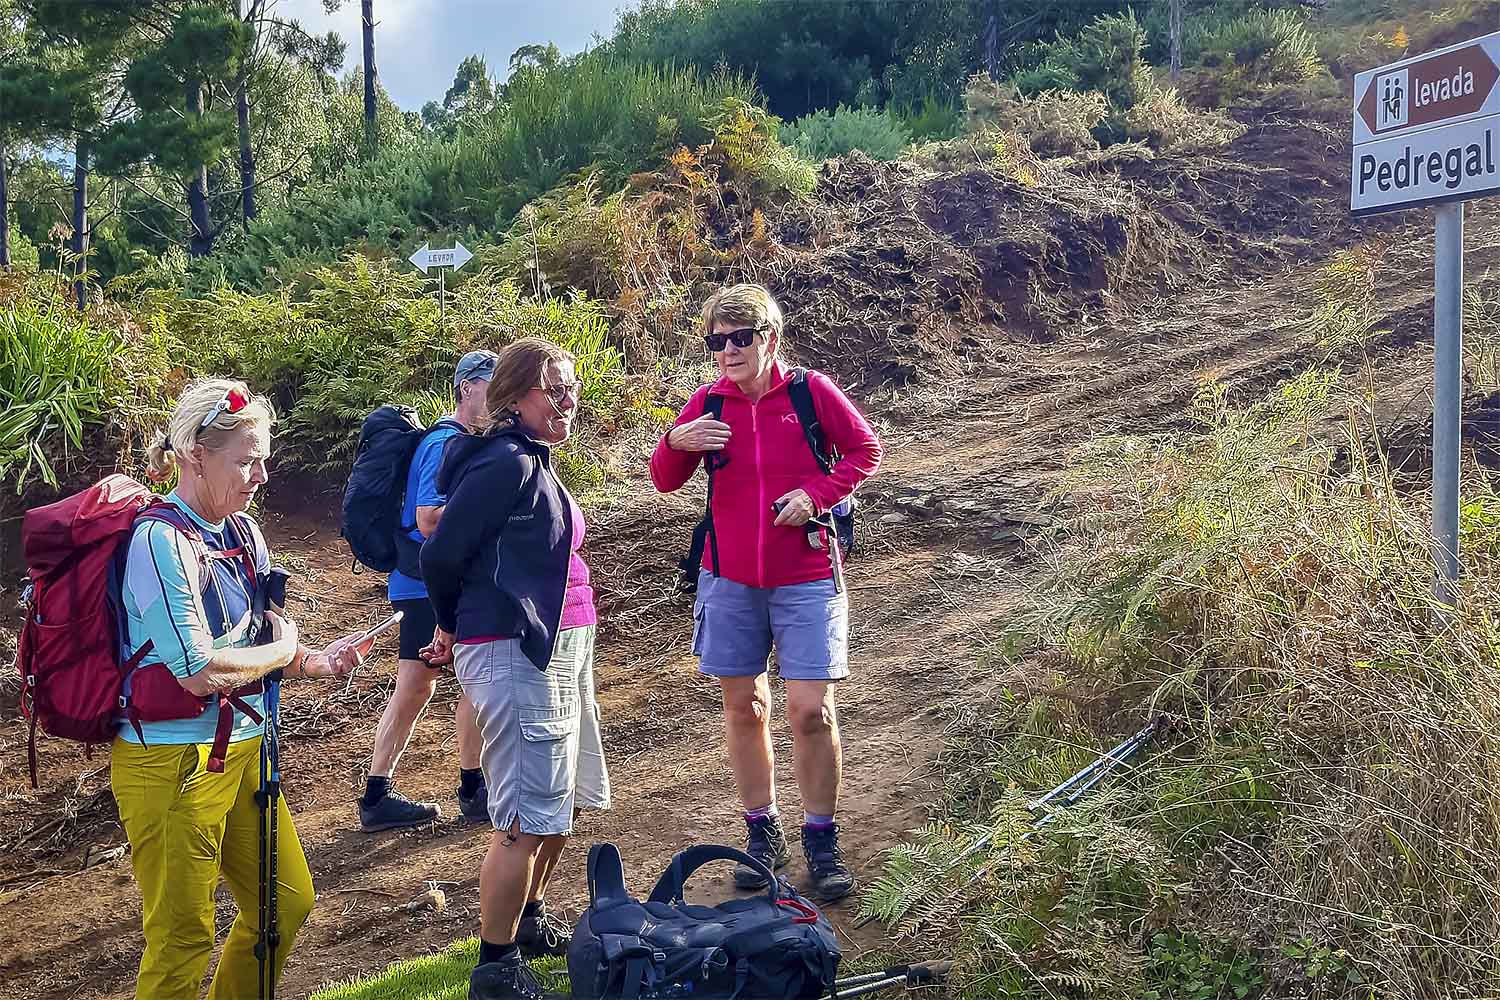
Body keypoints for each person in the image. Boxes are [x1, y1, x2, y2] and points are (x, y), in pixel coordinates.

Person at [111, 377, 372, 999]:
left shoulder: (242, 533)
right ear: (195, 454)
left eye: (264, 459)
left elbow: (252, 641)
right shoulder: (158, 542)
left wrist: (310, 661)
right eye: (246, 460)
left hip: (244, 748)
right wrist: (284, 648)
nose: (260, 475)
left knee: (284, 905)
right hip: (170, 762)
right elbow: (200, 672)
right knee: (182, 938)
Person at [650, 284, 882, 902]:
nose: (727, 351)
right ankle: (762, 834)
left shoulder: (809, 392)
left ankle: (821, 839)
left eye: (740, 338)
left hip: (806, 574)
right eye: (716, 340)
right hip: (728, 577)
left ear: (769, 338)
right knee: (745, 709)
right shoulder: (709, 403)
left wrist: (817, 495)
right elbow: (666, 481)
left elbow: (864, 450)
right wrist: (674, 443)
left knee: (811, 710)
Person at [420, 338, 611, 1000]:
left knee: (560, 804)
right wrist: (449, 625)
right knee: (524, 819)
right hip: (514, 647)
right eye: (553, 389)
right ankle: (494, 969)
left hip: (559, 647)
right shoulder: (502, 463)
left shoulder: (534, 458)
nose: (568, 400)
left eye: (572, 387)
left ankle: (527, 923)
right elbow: (440, 557)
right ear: (515, 397)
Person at [359, 350, 497, 833]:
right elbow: (428, 517)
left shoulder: (453, 440)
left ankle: (378, 795)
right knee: (473, 680)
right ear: (466, 388)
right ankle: (473, 790)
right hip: (428, 584)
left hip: (417, 582)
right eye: (489, 386)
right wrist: (489, 513)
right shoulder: (445, 442)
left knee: (418, 687)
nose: (496, 396)